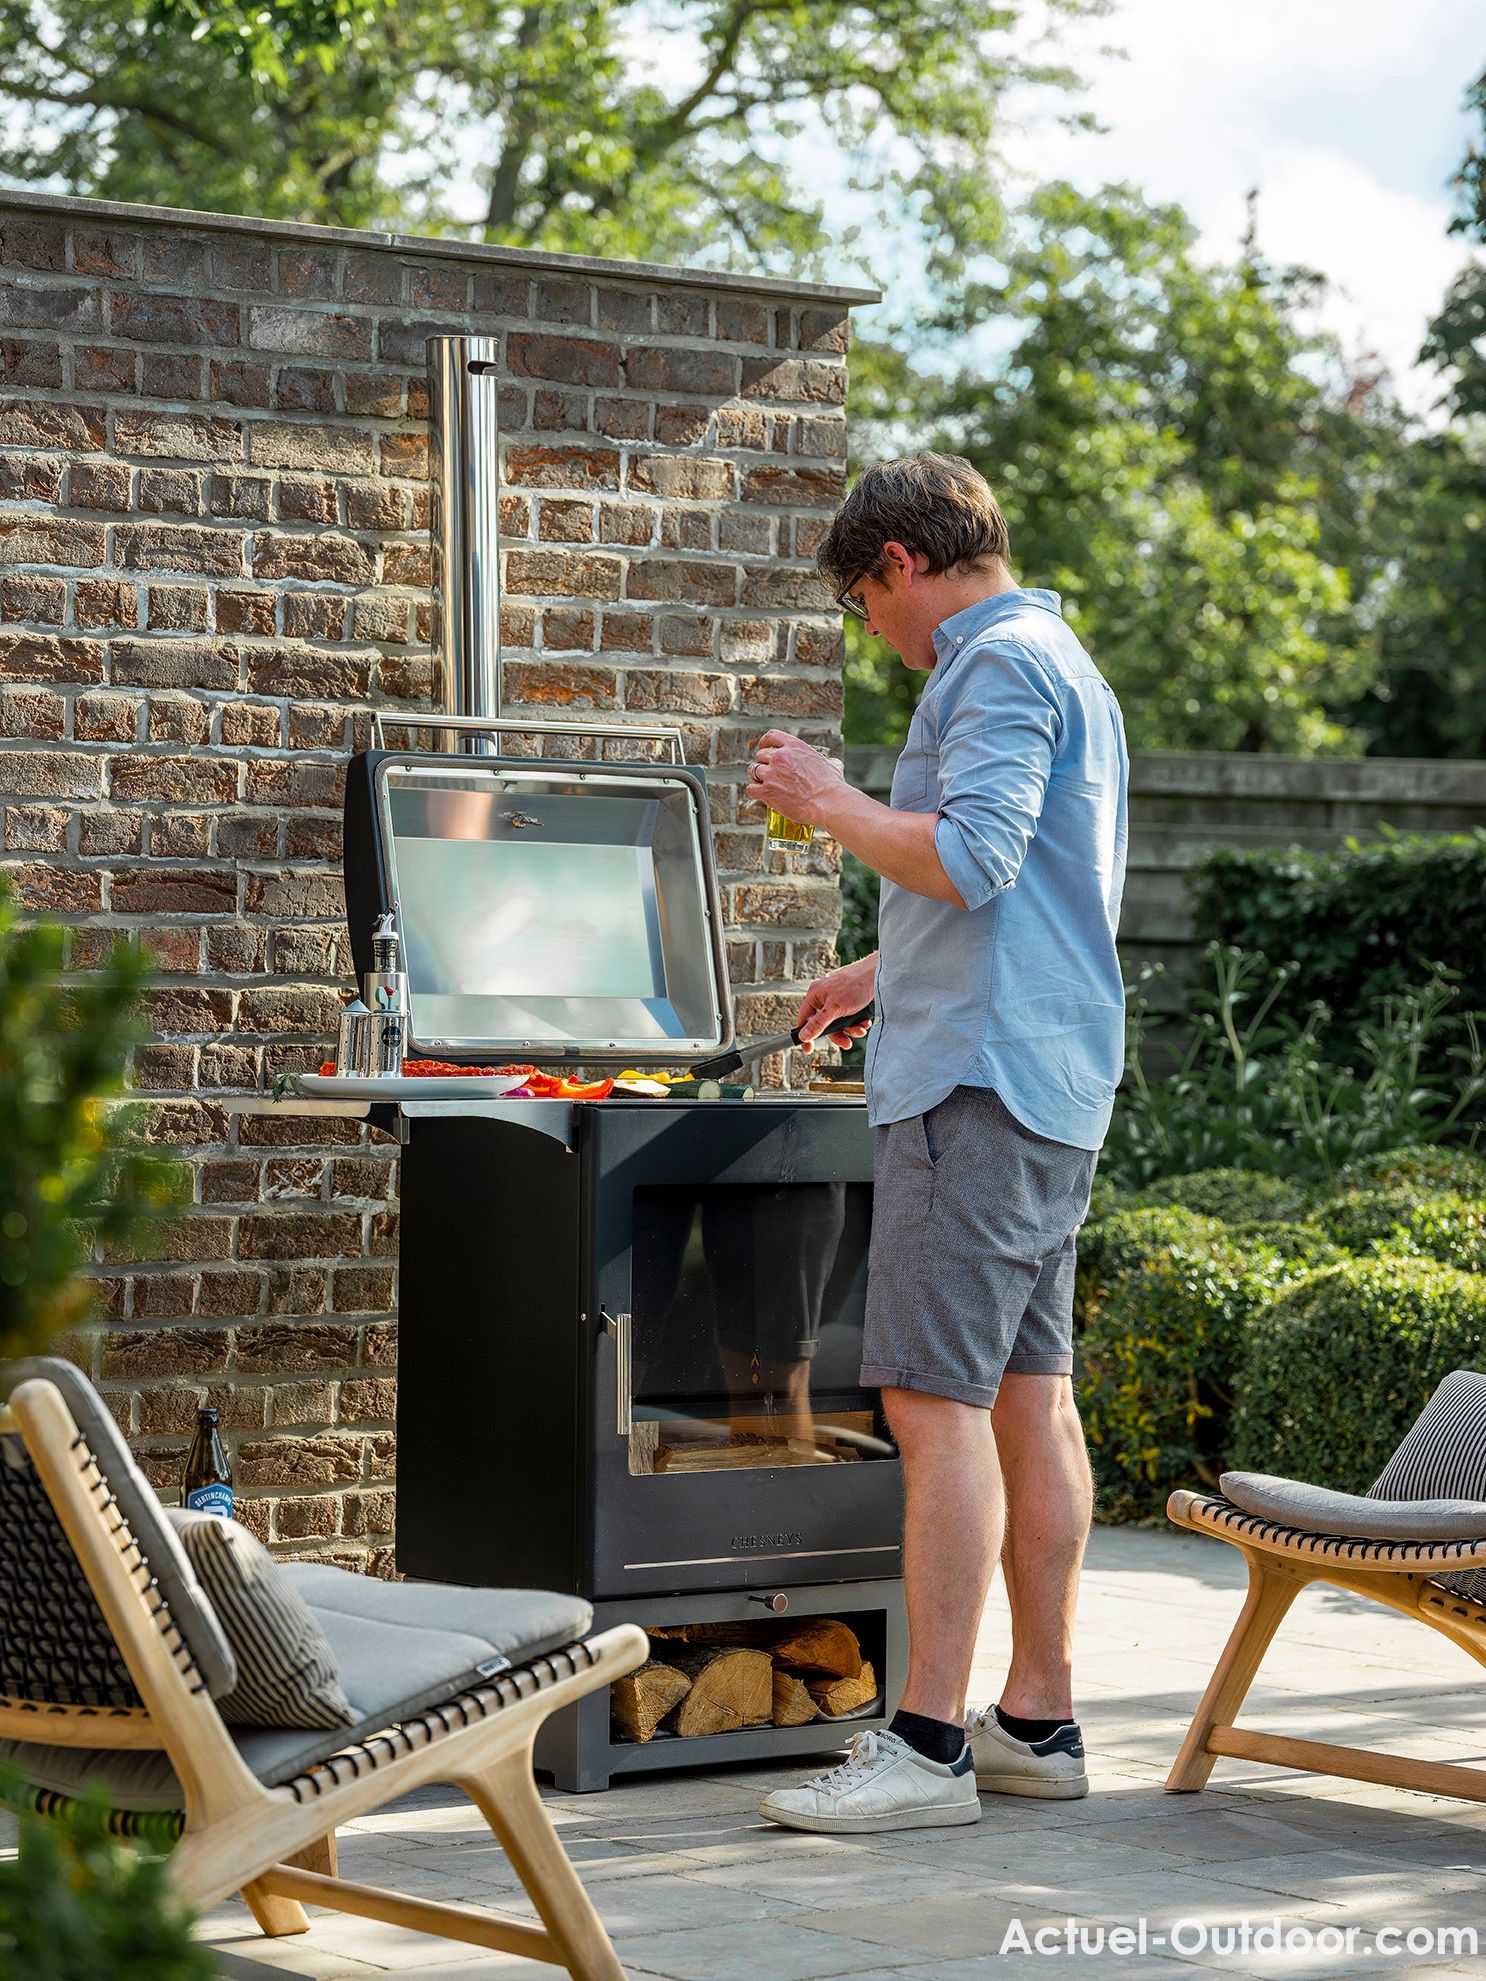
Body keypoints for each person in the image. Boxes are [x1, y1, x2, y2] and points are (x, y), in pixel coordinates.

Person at [745, 452, 1129, 1833]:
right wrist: (877, 969)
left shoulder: (992, 665)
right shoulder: (1058, 657)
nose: (874, 636)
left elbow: (968, 854)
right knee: (1029, 1396)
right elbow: (1009, 887)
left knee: (930, 1404)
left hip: (972, 1089)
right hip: (1039, 1072)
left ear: (895, 565)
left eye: (861, 607)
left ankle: (925, 1746)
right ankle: (1035, 1720)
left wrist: (825, 800)